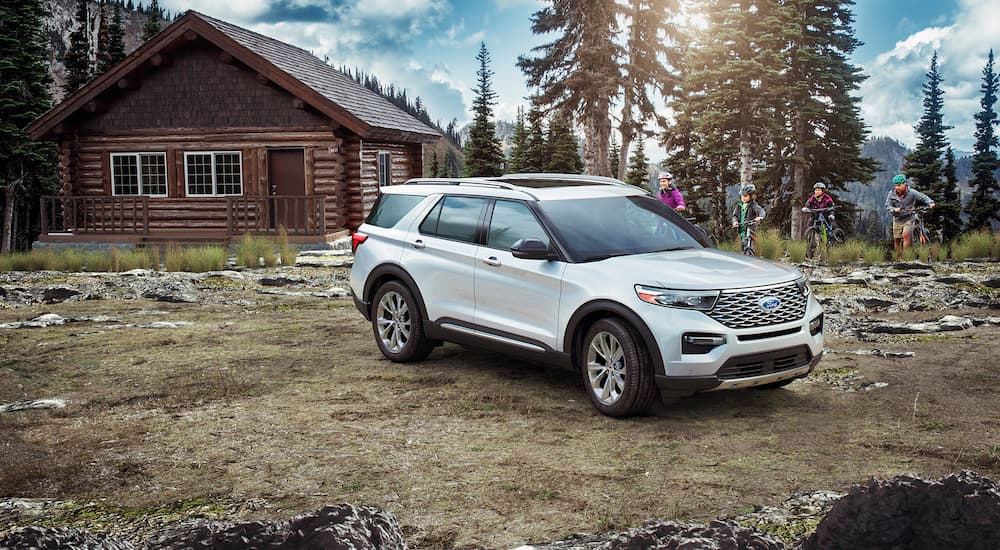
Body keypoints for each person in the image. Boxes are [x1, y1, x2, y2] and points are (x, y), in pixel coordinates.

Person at [885, 174, 935, 256]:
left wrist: (930, 202)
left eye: (899, 185)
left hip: (909, 218)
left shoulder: (912, 192)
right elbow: (888, 205)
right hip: (897, 219)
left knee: (906, 235)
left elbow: (923, 197)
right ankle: (899, 258)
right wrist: (893, 209)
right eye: (896, 185)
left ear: (904, 184)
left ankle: (906, 257)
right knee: (897, 239)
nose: (897, 187)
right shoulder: (891, 194)